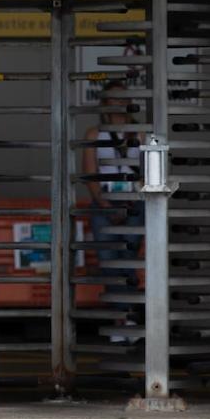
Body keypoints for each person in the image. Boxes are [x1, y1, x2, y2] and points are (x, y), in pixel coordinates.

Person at [81, 80, 144, 342]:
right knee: (109, 263)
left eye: (122, 97)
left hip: (134, 203)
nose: (118, 102)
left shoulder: (140, 134)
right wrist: (104, 203)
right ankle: (120, 319)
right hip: (104, 203)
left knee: (131, 261)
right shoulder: (94, 135)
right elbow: (90, 172)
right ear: (104, 101)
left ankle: (131, 317)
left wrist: (133, 201)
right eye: (113, 97)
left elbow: (147, 172)